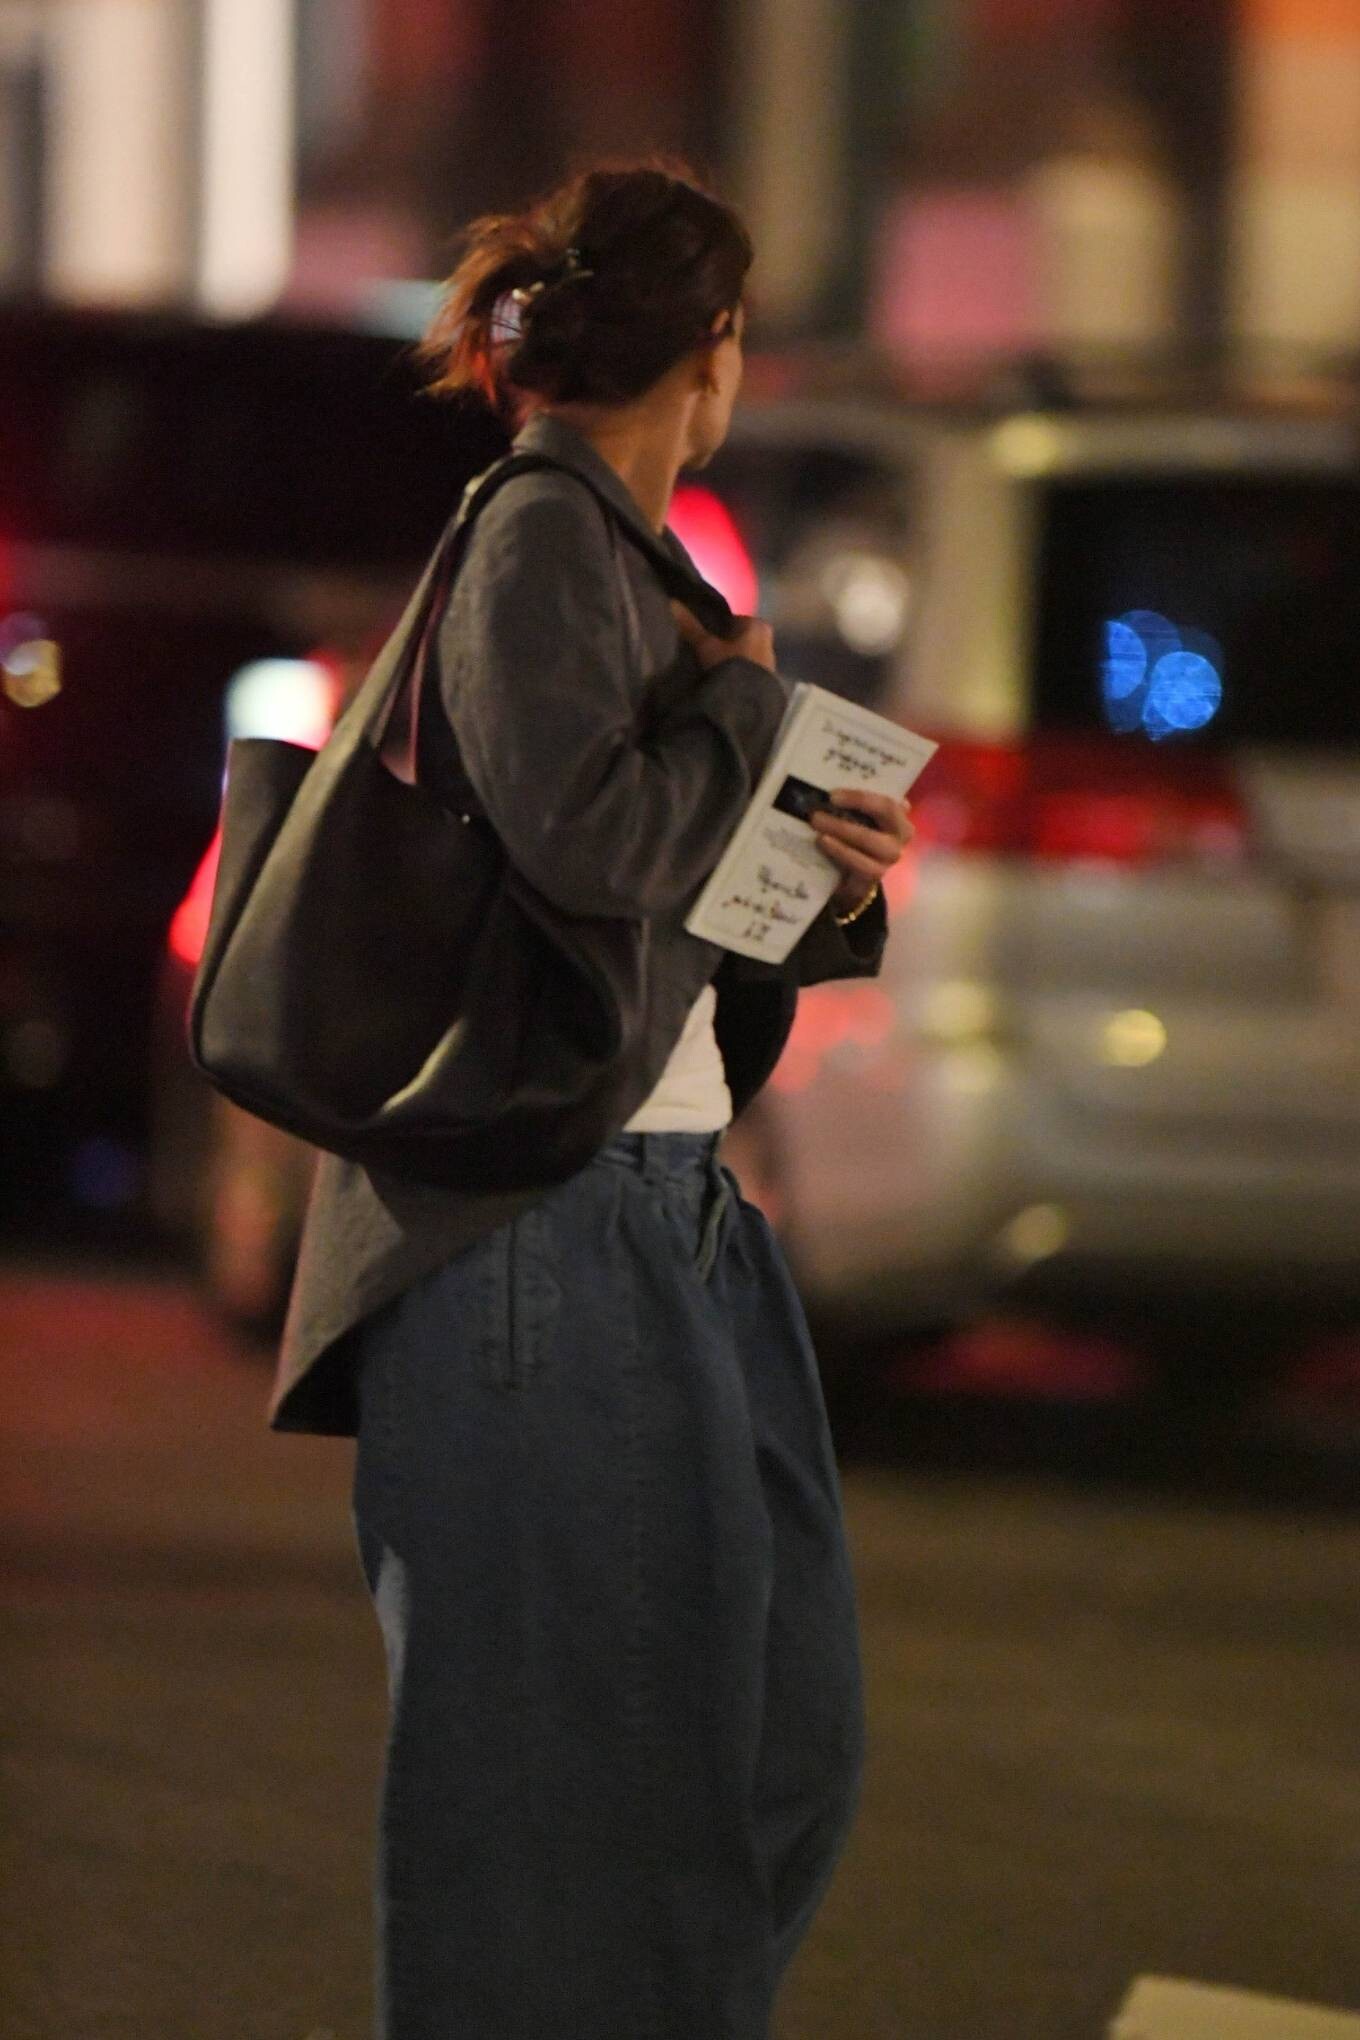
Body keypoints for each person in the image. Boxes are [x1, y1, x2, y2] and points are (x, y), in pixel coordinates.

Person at [268, 159, 913, 2040]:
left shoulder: (628, 562)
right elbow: (588, 836)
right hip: (545, 1221)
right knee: (562, 1804)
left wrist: (829, 872)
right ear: (712, 348)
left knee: (772, 1744)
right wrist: (744, 710)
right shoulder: (545, 534)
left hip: (671, 1208)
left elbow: (646, 886)